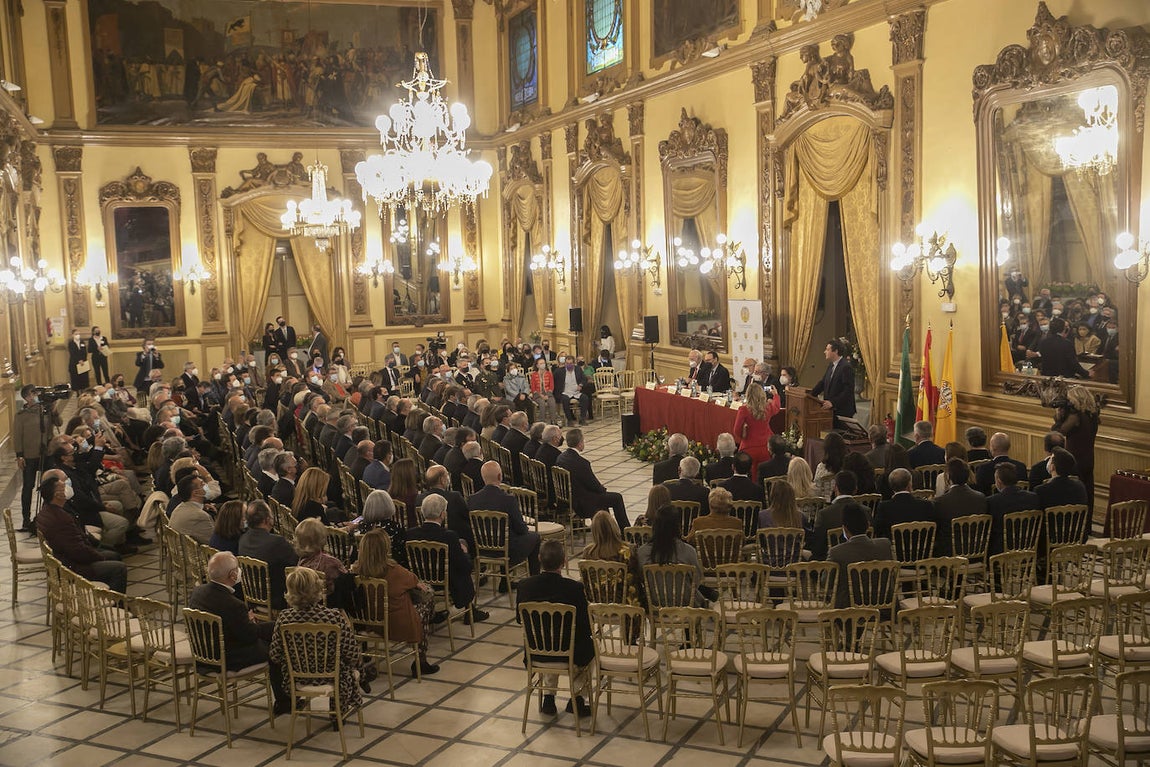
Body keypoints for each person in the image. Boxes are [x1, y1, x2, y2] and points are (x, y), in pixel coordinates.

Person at [189, 551, 289, 715]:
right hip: (228, 657)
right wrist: (263, 624)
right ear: (233, 575)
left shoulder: (197, 592)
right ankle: (284, 701)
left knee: (273, 631)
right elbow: (250, 635)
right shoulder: (233, 604)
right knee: (277, 647)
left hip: (204, 655)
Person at [515, 539, 594, 718]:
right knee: (587, 646)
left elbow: (520, 619)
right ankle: (578, 698)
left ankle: (548, 698)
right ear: (564, 561)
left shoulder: (525, 586)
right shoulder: (574, 589)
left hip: (536, 653)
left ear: (539, 559)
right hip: (568, 655)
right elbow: (584, 624)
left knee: (549, 638)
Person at [269, 566, 362, 709]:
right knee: (349, 665)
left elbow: (275, 655)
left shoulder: (284, 618)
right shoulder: (333, 617)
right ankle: (338, 709)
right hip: (332, 676)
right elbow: (352, 653)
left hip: (297, 678)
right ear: (317, 589)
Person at [355, 528, 439, 676]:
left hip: (368, 622)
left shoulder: (355, 571)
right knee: (426, 598)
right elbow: (415, 581)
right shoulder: (394, 571)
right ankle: (421, 659)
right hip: (395, 625)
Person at [406, 493, 489, 624]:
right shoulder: (449, 536)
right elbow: (465, 567)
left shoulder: (410, 534)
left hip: (421, 579)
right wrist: (465, 553)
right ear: (442, 514)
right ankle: (470, 611)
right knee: (463, 567)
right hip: (446, 581)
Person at [36, 475, 127, 593]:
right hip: (71, 566)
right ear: (57, 495)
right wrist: (99, 557)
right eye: (64, 488)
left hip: (66, 558)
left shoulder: (46, 512)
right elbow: (77, 551)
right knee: (118, 568)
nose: (67, 489)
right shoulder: (61, 518)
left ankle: (107, 594)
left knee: (113, 554)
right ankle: (115, 604)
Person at [466, 461, 541, 579]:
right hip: (508, 551)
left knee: (503, 533)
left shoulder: (472, 499)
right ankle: (535, 579)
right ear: (500, 476)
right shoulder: (508, 500)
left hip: (482, 549)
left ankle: (505, 582)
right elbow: (521, 529)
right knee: (535, 537)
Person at [555, 428, 630, 532]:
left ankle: (606, 529)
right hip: (583, 502)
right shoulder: (582, 463)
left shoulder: (561, 457)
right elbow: (593, 485)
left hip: (568, 498)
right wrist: (602, 489)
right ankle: (626, 531)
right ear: (580, 443)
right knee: (617, 498)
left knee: (605, 498)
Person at [635, 505, 707, 605]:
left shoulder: (642, 552)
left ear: (655, 526)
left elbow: (640, 579)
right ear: (677, 527)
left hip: (655, 605)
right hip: (686, 606)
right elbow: (697, 580)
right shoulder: (689, 551)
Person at [827, 502, 893, 608]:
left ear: (845, 529)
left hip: (850, 612)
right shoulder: (885, 545)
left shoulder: (836, 552)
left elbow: (826, 583)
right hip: (884, 607)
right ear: (867, 525)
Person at [13, 384, 58, 532]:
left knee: (49, 485)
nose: (37, 395)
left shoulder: (46, 410)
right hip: (30, 456)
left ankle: (48, 517)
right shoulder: (21, 416)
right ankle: (26, 520)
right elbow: (17, 437)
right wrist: (19, 455)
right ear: (27, 397)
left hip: (47, 454)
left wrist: (54, 410)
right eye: (33, 393)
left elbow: (59, 423)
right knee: (28, 487)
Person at [238, 500, 297, 610]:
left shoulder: (243, 539)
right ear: (267, 520)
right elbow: (296, 564)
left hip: (251, 596)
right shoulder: (277, 542)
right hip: (277, 599)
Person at [873, 468, 945, 551]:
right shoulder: (926, 505)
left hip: (896, 553)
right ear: (909, 485)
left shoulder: (884, 507)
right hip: (923, 552)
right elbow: (937, 528)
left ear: (891, 486)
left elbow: (877, 530)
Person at [1053, 385, 1099, 513]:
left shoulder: (1076, 417)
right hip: (1089, 458)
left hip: (1075, 459)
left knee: (1074, 493)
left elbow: (1058, 432)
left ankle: (1076, 522)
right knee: (1087, 491)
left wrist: (1059, 416)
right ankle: (1086, 524)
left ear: (1076, 399)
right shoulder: (1092, 415)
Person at [934, 460, 986, 554]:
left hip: (950, 554)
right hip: (977, 551)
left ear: (948, 477)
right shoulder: (981, 498)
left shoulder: (940, 502)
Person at [732, 384, 782, 480]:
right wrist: (775, 395)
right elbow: (777, 407)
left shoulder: (744, 410)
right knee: (763, 476)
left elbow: (736, 430)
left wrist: (743, 435)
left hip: (748, 447)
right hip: (766, 447)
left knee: (749, 477)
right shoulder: (768, 408)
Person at [810, 471, 861, 561]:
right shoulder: (867, 511)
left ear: (835, 488)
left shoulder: (824, 514)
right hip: (860, 561)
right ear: (855, 489)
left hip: (831, 563)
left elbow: (817, 548)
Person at [294, 517, 347, 598]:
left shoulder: (300, 563)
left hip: (304, 602)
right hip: (329, 604)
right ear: (322, 538)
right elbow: (346, 580)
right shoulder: (331, 562)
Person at [809, 339, 856, 426]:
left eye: (827, 349)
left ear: (836, 351)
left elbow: (848, 390)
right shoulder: (831, 365)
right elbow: (823, 383)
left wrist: (833, 402)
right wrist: (810, 395)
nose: (824, 352)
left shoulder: (846, 367)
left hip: (842, 410)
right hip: (831, 410)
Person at [358, 490, 409, 569]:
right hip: (391, 569)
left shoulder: (362, 526)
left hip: (366, 567)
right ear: (388, 506)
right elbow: (403, 555)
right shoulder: (395, 528)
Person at [974, 432, 1029, 497]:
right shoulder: (1021, 467)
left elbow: (980, 494)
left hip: (992, 505)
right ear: (1008, 447)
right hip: (1019, 505)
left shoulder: (983, 469)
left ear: (993, 448)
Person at [1035, 447, 1089, 513]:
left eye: (1050, 459)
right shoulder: (1080, 487)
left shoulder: (1041, 490)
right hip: (1074, 523)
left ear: (1052, 467)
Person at [169, 474, 214, 544]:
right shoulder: (201, 516)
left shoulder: (179, 507)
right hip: (198, 554)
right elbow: (214, 543)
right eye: (202, 484)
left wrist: (202, 506)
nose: (206, 485)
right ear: (195, 493)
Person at [553, 355, 591, 425]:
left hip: (576, 392)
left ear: (574, 363)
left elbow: (584, 379)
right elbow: (553, 381)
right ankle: (570, 420)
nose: (569, 365)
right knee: (565, 400)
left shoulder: (578, 369)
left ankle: (582, 419)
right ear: (565, 364)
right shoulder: (559, 371)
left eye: (570, 363)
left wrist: (581, 385)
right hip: (565, 392)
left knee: (585, 398)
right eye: (567, 363)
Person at [813, 431, 848, 499]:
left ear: (826, 449)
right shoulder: (847, 467)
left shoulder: (821, 468)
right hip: (844, 505)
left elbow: (816, 491)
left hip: (824, 506)